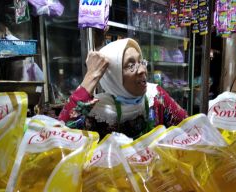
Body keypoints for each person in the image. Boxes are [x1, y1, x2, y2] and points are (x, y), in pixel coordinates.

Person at [59, 38, 188, 139]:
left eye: (141, 62)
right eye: (131, 65)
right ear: (112, 75)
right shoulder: (97, 111)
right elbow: (61, 135)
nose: (142, 70)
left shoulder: (155, 96)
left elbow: (187, 127)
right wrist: (92, 75)